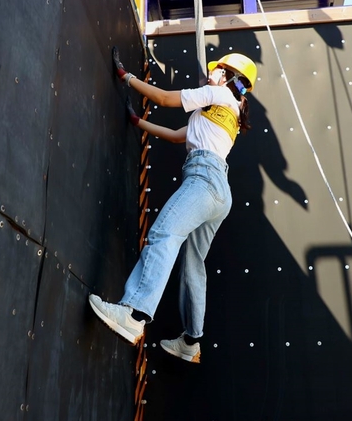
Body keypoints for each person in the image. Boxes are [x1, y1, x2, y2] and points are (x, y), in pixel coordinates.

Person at [89, 47, 257, 363]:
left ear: (229, 75)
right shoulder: (224, 110)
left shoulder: (218, 96)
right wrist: (138, 122)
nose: (213, 73)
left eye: (219, 69)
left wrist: (128, 77)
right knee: (194, 264)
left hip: (204, 178)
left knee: (165, 235)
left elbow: (166, 99)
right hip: (219, 191)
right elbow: (176, 135)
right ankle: (191, 342)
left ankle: (134, 315)